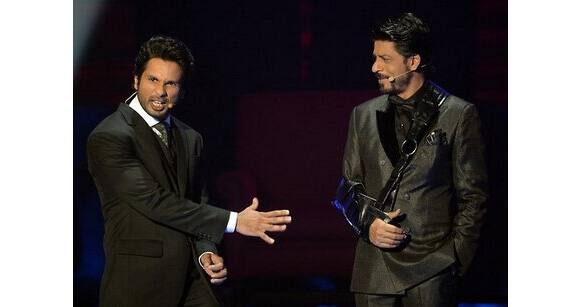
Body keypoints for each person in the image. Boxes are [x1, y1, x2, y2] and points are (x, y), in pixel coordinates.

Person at [87, 36, 292, 307]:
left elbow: (198, 200)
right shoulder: (110, 136)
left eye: (170, 83)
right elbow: (154, 201)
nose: (160, 91)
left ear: (181, 90)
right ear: (136, 80)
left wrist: (205, 251)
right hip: (139, 283)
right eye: (153, 80)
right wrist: (234, 221)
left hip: (192, 281)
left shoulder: (190, 137)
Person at [335, 13, 488, 306]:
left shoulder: (458, 114)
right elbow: (347, 188)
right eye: (374, 58)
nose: (374, 67)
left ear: (413, 62)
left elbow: (474, 196)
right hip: (374, 267)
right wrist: (368, 225)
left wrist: (454, 260)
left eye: (385, 59)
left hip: (432, 266)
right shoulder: (362, 115)